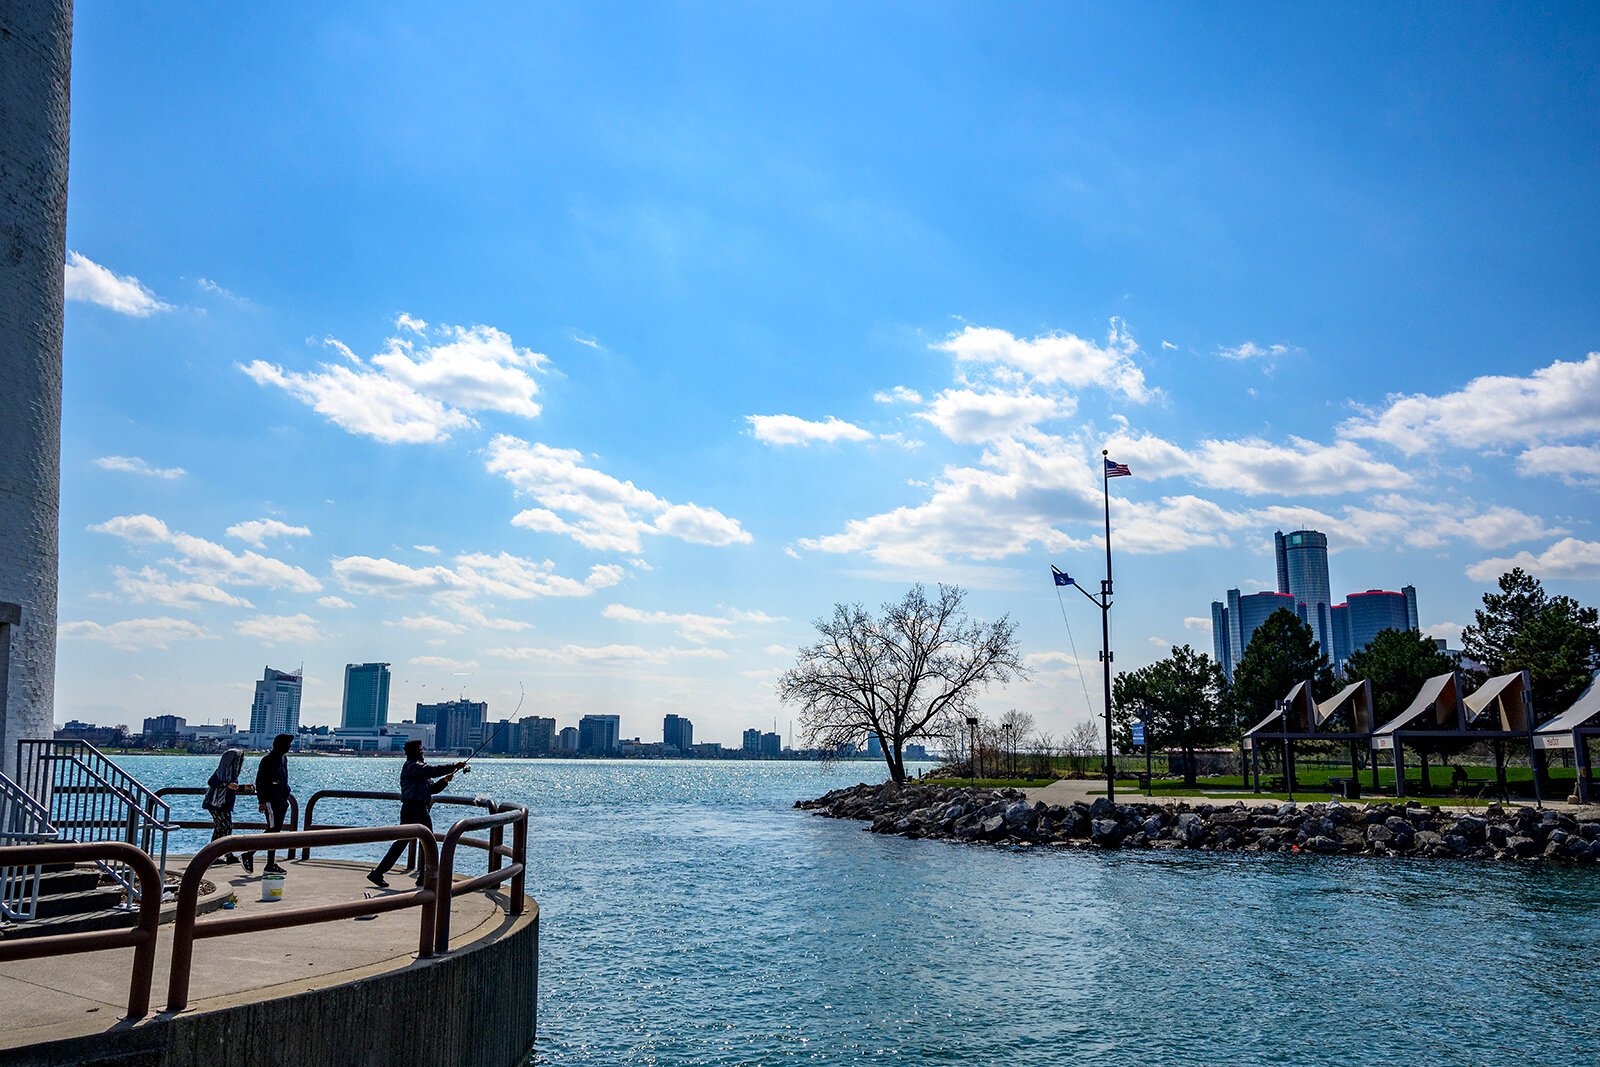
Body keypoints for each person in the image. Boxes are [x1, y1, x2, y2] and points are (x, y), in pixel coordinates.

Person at [367, 740, 466, 889]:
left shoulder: (419, 770)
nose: (422, 752)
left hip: (414, 808)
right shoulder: (412, 766)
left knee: (404, 842)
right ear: (414, 752)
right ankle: (422, 877)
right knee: (428, 842)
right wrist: (453, 766)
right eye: (420, 750)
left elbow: (432, 789)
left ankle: (381, 873)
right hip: (415, 809)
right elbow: (431, 770)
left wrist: (445, 780)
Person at [243, 733, 294, 876]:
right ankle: (250, 854)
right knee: (272, 831)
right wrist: (262, 801)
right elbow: (261, 782)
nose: (289, 747)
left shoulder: (283, 759)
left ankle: (269, 863)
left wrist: (286, 794)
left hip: (282, 801)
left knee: (275, 832)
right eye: (287, 744)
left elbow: (284, 779)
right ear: (280, 745)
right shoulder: (268, 760)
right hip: (271, 802)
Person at [201, 749, 254, 866]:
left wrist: (244, 787)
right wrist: (226, 784)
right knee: (225, 827)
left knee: (221, 828)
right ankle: (218, 854)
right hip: (216, 804)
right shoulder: (221, 772)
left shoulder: (232, 774)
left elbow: (232, 787)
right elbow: (212, 782)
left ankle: (220, 854)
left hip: (224, 805)